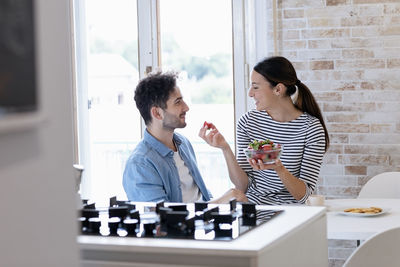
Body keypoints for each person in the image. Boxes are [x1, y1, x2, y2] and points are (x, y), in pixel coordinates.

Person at [199, 56, 329, 205]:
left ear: (278, 89)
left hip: (292, 211)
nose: (250, 93)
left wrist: (279, 168)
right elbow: (242, 186)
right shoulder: (248, 122)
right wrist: (225, 148)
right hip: (252, 208)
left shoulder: (311, 129)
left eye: (255, 87)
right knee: (231, 195)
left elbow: (304, 196)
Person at [123, 71, 247, 203]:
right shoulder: (140, 164)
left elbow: (199, 196)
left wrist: (224, 203)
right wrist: (220, 202)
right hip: (189, 222)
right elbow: (162, 219)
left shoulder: (182, 143)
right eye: (178, 102)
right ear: (157, 113)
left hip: (206, 220)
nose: (186, 107)